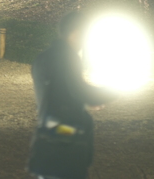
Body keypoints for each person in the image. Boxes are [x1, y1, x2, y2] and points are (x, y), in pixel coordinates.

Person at [28, 11, 115, 179]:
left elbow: (56, 91)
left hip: (46, 132)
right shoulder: (67, 57)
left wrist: (82, 102)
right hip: (65, 135)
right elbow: (79, 90)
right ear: (76, 33)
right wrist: (115, 90)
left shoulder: (42, 58)